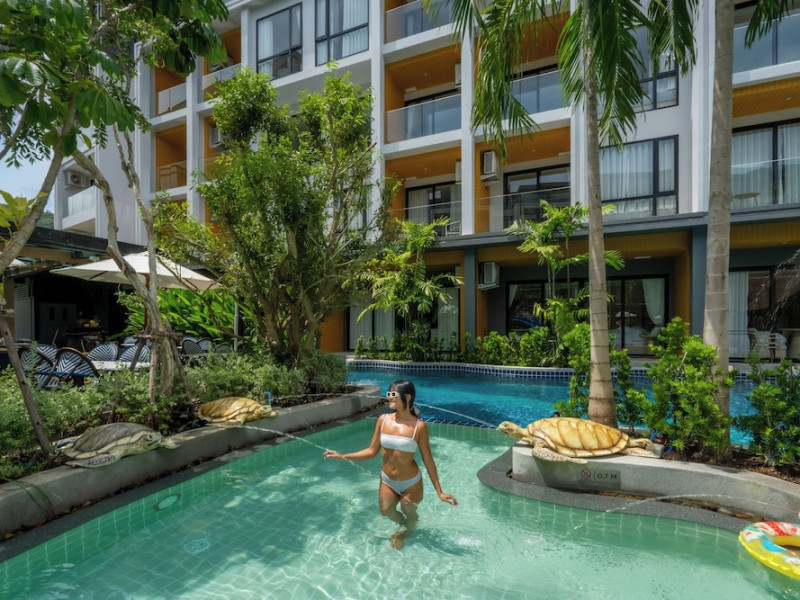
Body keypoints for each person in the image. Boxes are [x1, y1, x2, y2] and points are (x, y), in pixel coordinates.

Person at [323, 379, 457, 549]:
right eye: (389, 394)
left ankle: (405, 530)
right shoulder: (383, 420)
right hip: (387, 480)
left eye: (394, 394)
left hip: (411, 482)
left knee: (407, 506)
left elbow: (428, 460)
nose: (389, 398)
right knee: (386, 511)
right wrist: (343, 456)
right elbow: (371, 451)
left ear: (407, 397)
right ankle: (406, 523)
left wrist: (440, 492)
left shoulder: (419, 427)